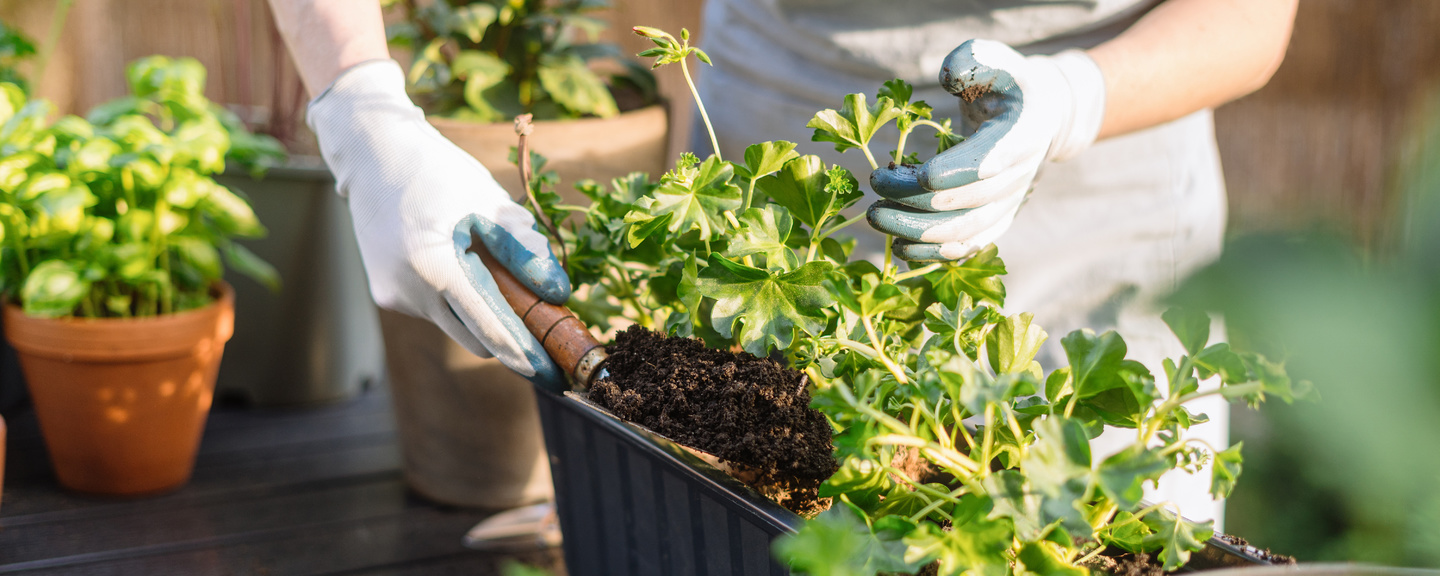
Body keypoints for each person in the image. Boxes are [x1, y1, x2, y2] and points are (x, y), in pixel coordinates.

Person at [266, 0, 1296, 548]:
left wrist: (1069, 102)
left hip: (1109, 179)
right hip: (777, 147)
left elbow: (1254, 17)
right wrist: (357, 106)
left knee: (1087, 524)